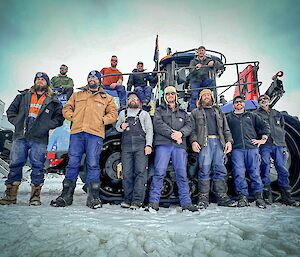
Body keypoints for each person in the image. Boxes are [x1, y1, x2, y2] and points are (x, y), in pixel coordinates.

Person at [51, 70, 118, 209]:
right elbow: (66, 109)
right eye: (90, 77)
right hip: (77, 133)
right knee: (72, 163)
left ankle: (93, 197)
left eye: (94, 77)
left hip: (95, 134)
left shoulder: (107, 98)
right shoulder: (77, 95)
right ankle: (66, 195)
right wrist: (73, 117)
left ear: (99, 80)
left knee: (93, 164)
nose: (92, 79)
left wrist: (102, 120)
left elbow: (113, 114)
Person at [0, 72, 64, 206]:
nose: (40, 81)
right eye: (38, 79)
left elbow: (59, 118)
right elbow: (11, 111)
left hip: (39, 138)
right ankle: (10, 196)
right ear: (35, 81)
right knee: (15, 164)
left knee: (38, 166)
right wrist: (17, 122)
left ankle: (35, 197)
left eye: (43, 80)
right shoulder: (22, 96)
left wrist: (46, 126)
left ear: (47, 83)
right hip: (21, 136)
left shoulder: (53, 101)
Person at [148, 86, 198, 212]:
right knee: (159, 173)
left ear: (176, 95)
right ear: (164, 96)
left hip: (179, 146)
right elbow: (158, 125)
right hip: (163, 145)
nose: (170, 95)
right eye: (168, 94)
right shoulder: (159, 111)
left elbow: (189, 125)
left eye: (172, 93)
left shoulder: (183, 112)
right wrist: (172, 134)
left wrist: (181, 134)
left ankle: (186, 203)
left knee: (181, 174)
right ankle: (154, 202)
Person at [190, 89, 236, 208]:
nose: (206, 97)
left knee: (220, 169)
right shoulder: (195, 112)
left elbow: (226, 128)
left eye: (208, 95)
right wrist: (194, 141)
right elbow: (193, 130)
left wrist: (229, 142)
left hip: (218, 142)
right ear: (200, 98)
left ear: (212, 97)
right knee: (204, 169)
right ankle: (203, 198)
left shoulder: (218, 111)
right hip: (204, 143)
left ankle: (222, 196)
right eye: (204, 95)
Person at [226, 95, 270, 208]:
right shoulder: (229, 118)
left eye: (241, 102)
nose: (239, 103)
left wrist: (263, 139)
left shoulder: (252, 116)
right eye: (236, 102)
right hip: (237, 149)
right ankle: (242, 197)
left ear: (244, 104)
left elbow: (265, 126)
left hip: (252, 148)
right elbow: (225, 131)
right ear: (233, 105)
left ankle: (259, 197)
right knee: (239, 173)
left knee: (255, 173)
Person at [256, 94, 298, 206]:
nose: (263, 101)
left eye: (265, 99)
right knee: (264, 166)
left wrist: (282, 142)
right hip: (265, 144)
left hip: (278, 144)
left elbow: (282, 128)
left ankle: (286, 195)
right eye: (260, 100)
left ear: (269, 100)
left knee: (281, 167)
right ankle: (267, 193)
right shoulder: (256, 114)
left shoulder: (277, 113)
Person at [116, 92, 153, 209]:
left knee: (140, 173)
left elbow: (149, 130)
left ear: (139, 101)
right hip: (126, 147)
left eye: (135, 98)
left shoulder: (144, 114)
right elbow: (117, 127)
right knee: (126, 173)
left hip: (140, 147)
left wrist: (148, 145)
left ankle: (137, 201)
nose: (133, 100)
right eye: (130, 98)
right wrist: (121, 127)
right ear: (127, 101)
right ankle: (127, 199)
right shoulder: (123, 114)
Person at [188, 46, 215, 111]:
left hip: (204, 81)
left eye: (202, 50)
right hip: (195, 81)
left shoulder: (208, 60)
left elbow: (220, 66)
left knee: (212, 82)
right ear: (197, 52)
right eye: (199, 51)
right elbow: (190, 70)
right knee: (194, 95)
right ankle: (193, 110)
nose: (201, 52)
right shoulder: (193, 61)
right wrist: (196, 68)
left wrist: (214, 63)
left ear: (204, 52)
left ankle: (210, 102)